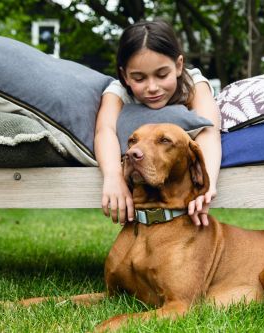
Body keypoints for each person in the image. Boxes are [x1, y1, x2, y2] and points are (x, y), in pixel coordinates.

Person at [94, 20, 221, 227]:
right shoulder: (117, 92)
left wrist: (207, 185)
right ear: (125, 75)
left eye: (162, 75)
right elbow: (104, 131)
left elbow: (209, 131)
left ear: (179, 66)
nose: (152, 87)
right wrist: (113, 175)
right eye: (139, 78)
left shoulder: (194, 83)